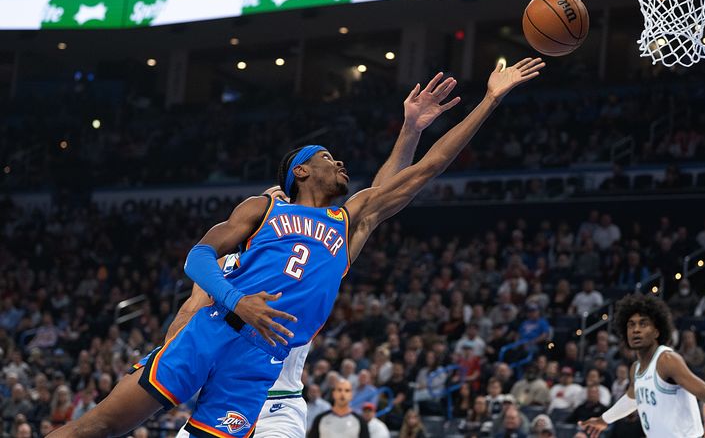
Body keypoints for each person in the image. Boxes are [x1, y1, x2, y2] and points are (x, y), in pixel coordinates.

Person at [50, 57, 545, 438]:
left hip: (263, 381)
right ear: (302, 171)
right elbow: (195, 266)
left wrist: (483, 103)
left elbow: (423, 170)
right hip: (210, 337)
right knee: (100, 426)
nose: (342, 164)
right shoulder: (263, 211)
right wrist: (230, 304)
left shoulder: (349, 221)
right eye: (329, 157)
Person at [580, 293, 705, 438]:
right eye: (631, 324)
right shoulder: (635, 369)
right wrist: (603, 419)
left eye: (643, 324)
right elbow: (632, 399)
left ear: (657, 332)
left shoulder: (666, 360)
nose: (636, 329)